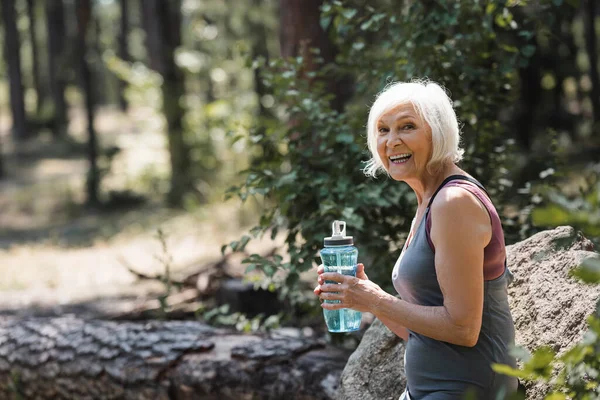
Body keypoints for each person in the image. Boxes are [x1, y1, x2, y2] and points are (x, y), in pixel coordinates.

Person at [314, 80, 518, 400]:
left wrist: (374, 300)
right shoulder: (429, 201)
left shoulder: (454, 202)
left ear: (437, 132)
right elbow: (421, 333)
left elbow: (463, 329)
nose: (392, 141)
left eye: (407, 127)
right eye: (383, 130)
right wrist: (368, 295)